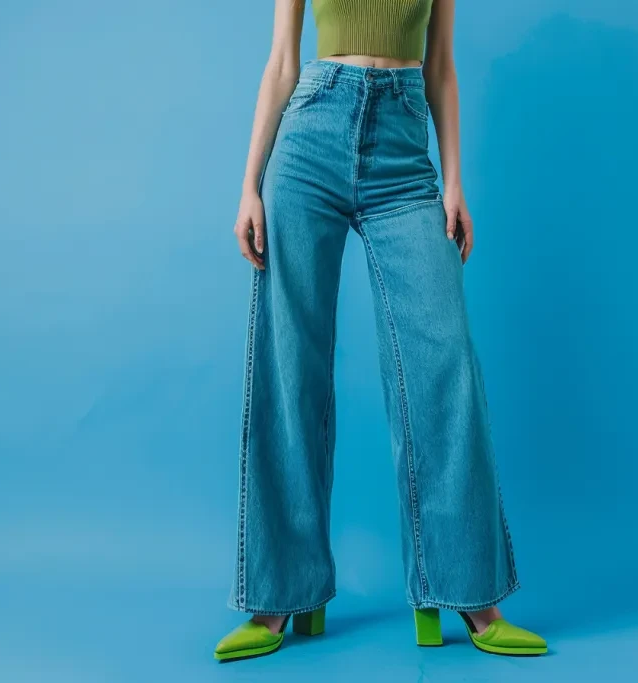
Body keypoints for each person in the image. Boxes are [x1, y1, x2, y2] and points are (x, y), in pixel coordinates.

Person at [215, 0, 546, 662]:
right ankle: (281, 592)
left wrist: (454, 182)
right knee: (290, 364)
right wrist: (249, 184)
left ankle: (468, 590)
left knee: (443, 364)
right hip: (311, 136)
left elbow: (441, 67)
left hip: (402, 149)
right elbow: (282, 60)